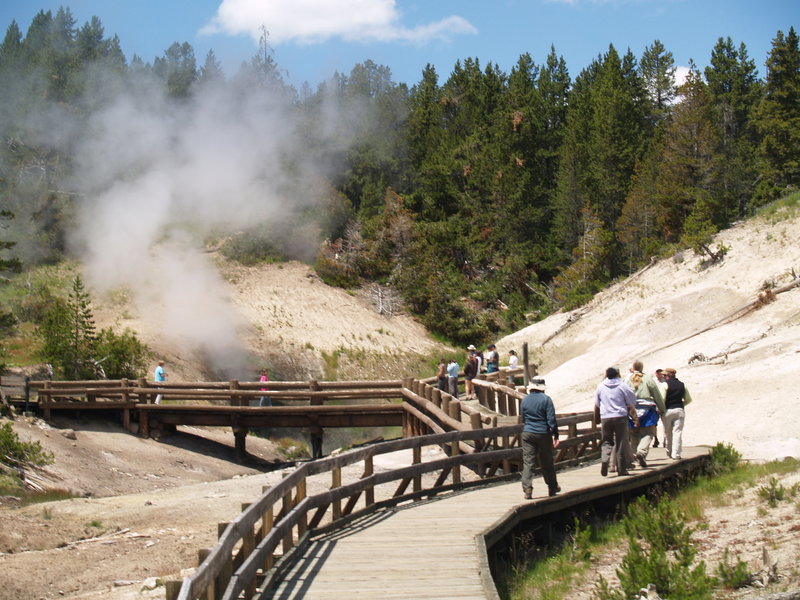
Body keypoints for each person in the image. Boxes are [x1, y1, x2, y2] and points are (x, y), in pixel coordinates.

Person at [520, 378, 561, 499]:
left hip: (528, 432)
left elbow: (523, 418)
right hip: (543, 433)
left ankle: (527, 488)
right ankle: (552, 487)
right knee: (547, 462)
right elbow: (551, 419)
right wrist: (556, 434)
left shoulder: (525, 400)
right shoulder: (546, 399)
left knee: (528, 462)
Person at [595, 366, 639, 476]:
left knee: (606, 441)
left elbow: (597, 403)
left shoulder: (600, 386)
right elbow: (632, 400)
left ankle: (605, 460)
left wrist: (597, 418)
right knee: (621, 442)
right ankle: (622, 469)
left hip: (605, 417)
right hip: (620, 416)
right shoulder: (622, 385)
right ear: (616, 374)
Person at [624, 360, 666, 468]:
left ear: (632, 368)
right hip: (647, 409)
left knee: (633, 434)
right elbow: (656, 395)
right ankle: (641, 452)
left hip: (631, 409)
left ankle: (634, 456)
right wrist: (662, 408)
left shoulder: (627, 379)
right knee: (648, 433)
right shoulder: (648, 378)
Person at [662, 367, 692, 460]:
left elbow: (662, 399)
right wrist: (681, 405)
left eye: (664, 375)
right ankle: (676, 454)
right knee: (677, 432)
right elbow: (688, 399)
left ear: (668, 376)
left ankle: (669, 451)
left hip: (668, 410)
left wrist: (661, 409)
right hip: (679, 409)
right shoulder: (682, 385)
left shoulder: (664, 385)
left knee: (668, 432)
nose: (663, 377)